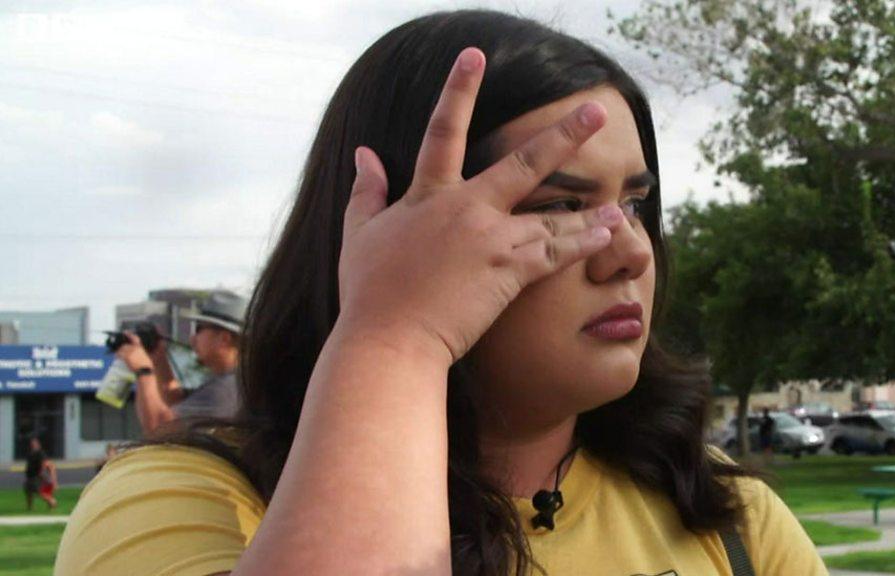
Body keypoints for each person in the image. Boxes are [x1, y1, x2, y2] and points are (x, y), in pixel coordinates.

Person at [54, 10, 827, 575]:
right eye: (558, 208)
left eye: (634, 203)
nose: (626, 252)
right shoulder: (178, 498)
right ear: (383, 242)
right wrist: (396, 334)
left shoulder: (730, 518)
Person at [115, 291, 245, 435]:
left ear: (224, 338)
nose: (192, 339)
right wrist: (159, 361)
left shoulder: (227, 389)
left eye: (198, 329)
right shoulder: (237, 381)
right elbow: (178, 402)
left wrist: (144, 371)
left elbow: (159, 428)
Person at [23, 437, 58, 511]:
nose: (32, 445)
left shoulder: (40, 454)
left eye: (34, 444)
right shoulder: (31, 454)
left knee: (40, 492)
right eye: (32, 444)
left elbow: (48, 465)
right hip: (30, 477)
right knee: (28, 491)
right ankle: (30, 508)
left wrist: (50, 478)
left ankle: (53, 502)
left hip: (36, 477)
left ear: (38, 445)